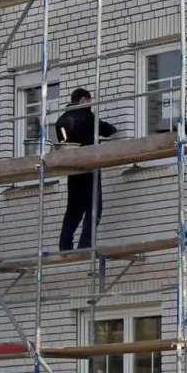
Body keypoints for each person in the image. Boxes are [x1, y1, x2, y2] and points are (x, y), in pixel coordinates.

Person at [56, 88, 117, 251]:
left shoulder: (62, 120)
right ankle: (85, 243)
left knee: (74, 208)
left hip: (73, 169)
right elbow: (106, 129)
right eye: (89, 101)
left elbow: (63, 141)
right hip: (89, 166)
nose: (91, 104)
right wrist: (114, 130)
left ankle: (64, 244)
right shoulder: (86, 117)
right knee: (94, 207)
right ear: (83, 100)